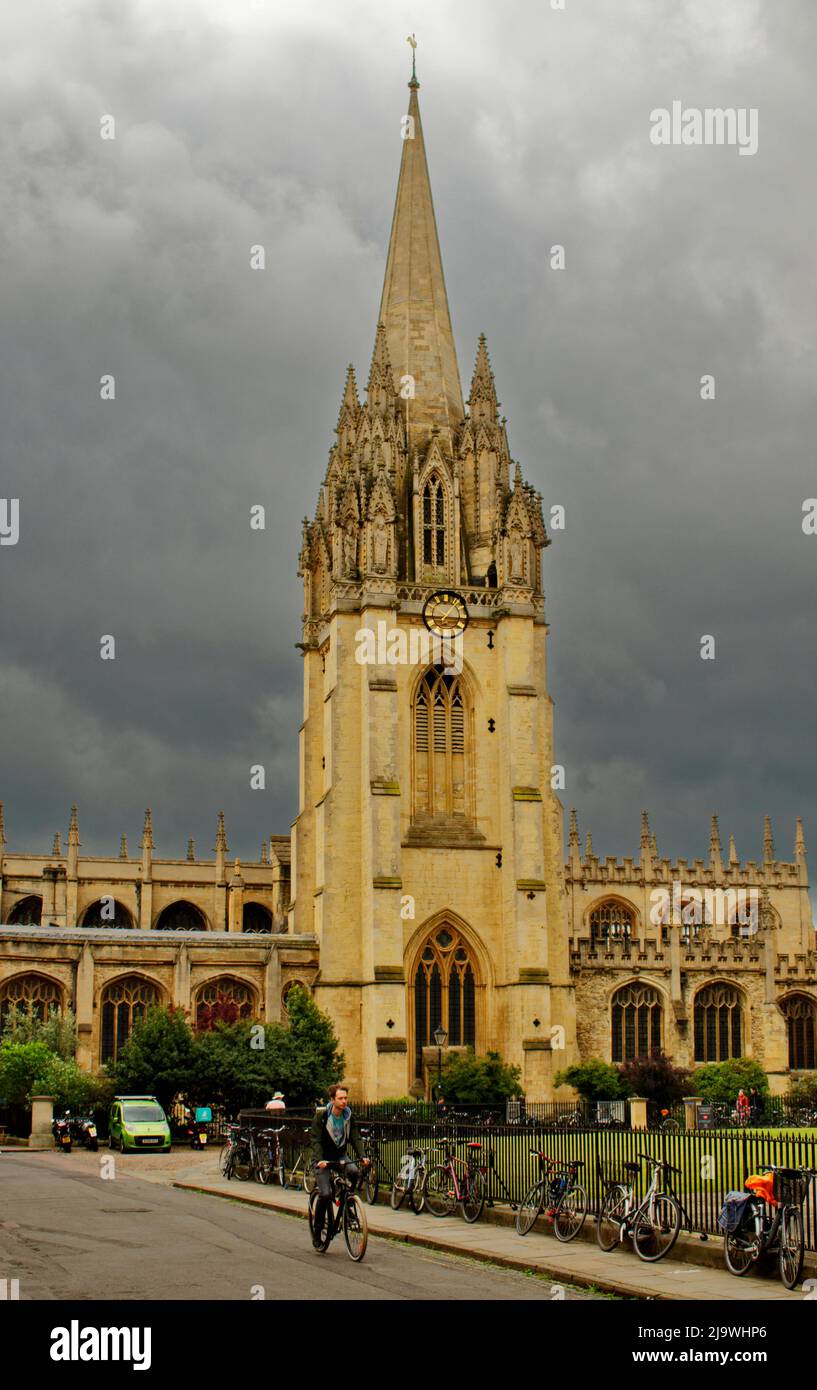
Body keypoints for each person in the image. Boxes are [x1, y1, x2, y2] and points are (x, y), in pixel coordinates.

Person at [309, 1082, 369, 1250]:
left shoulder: (348, 1116)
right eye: (340, 1098)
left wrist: (362, 1156)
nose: (344, 1101)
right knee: (326, 1194)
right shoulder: (321, 1117)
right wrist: (320, 1159)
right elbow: (316, 1140)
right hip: (323, 1159)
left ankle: (347, 1202)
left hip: (340, 1156)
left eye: (346, 1098)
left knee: (354, 1172)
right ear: (332, 1100)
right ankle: (317, 1230)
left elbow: (355, 1138)